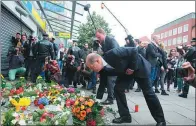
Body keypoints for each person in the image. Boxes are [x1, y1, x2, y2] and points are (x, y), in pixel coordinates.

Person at [86, 47, 166, 126]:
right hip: (126, 73)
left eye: (92, 67)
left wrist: (132, 68)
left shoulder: (113, 52)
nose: (93, 70)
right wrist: (97, 101)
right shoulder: (102, 69)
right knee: (118, 89)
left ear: (98, 60)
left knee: (149, 93)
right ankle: (125, 116)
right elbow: (102, 84)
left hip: (138, 67)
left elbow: (134, 50)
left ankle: (161, 121)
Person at [95, 28, 119, 105]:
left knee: (110, 81)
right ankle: (98, 98)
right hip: (106, 65)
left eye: (99, 37)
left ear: (103, 34)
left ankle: (110, 98)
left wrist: (105, 53)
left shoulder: (111, 40)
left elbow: (115, 52)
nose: (98, 39)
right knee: (102, 80)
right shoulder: (103, 43)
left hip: (113, 65)